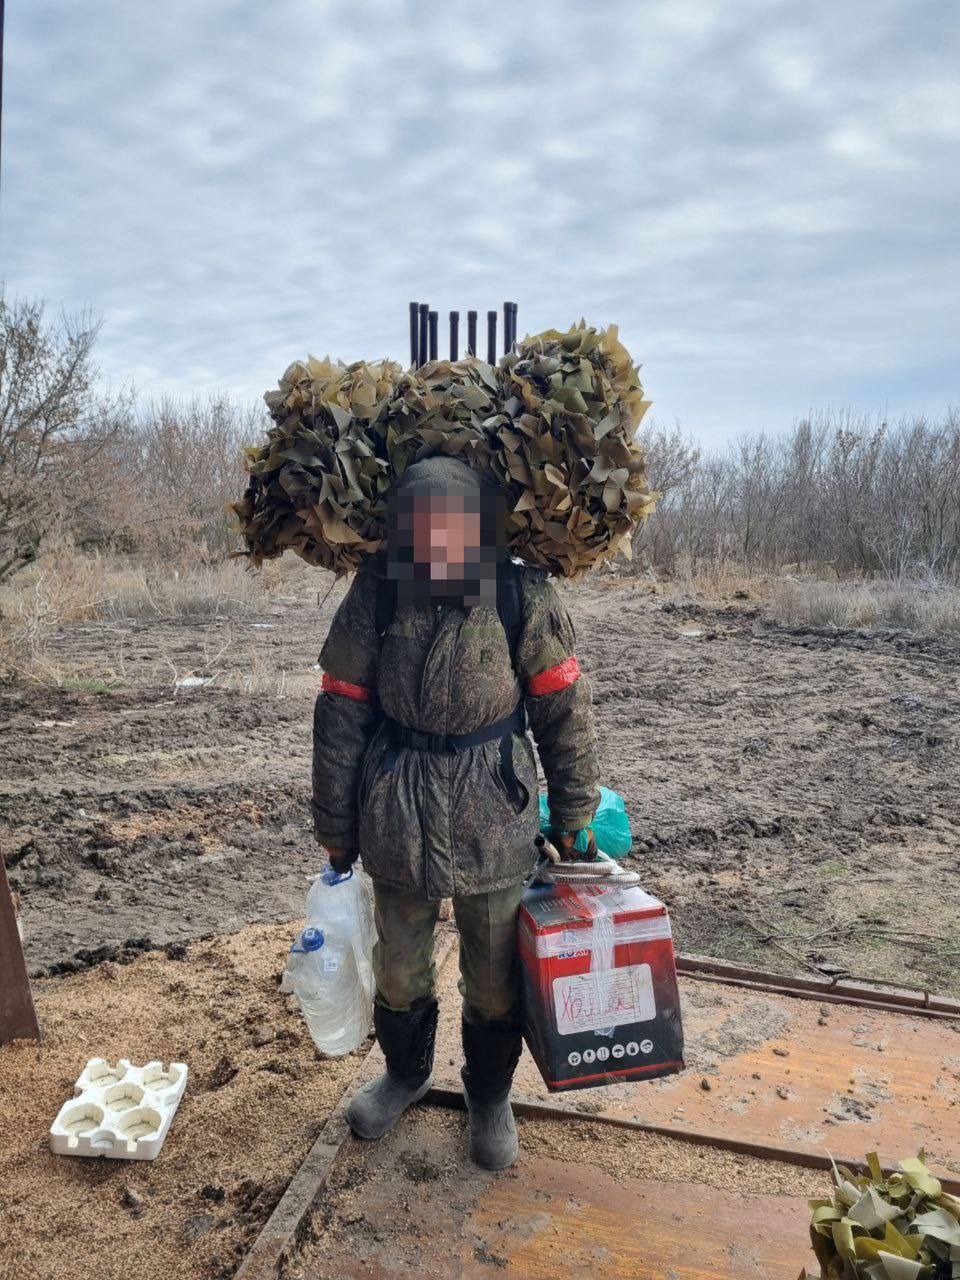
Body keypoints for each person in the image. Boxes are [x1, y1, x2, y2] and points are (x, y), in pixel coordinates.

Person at [311, 454, 600, 1169]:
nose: (437, 544)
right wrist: (337, 827)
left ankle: (490, 1095)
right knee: (401, 970)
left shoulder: (515, 591)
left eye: (453, 528)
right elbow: (340, 714)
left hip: (493, 810)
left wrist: (574, 810)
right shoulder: (378, 591)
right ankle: (405, 1075)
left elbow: (563, 709)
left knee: (496, 974)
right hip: (396, 810)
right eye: (422, 528)